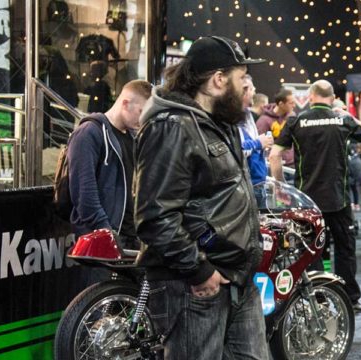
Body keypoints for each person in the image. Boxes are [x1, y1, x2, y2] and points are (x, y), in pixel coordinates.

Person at [133, 36, 269, 358]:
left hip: (236, 278)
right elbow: (155, 216)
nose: (247, 86)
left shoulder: (219, 124)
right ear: (218, 80)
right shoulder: (172, 127)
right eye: (242, 78)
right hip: (195, 285)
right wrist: (200, 270)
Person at [269, 80, 361, 312]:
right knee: (345, 248)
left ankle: (318, 298)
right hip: (338, 198)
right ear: (333, 97)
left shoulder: (296, 121)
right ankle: (350, 298)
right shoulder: (342, 119)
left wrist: (282, 188)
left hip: (307, 200)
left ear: (310, 95)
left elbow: (275, 155)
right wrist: (347, 115)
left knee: (312, 249)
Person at [67, 80, 151, 239]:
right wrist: (106, 231)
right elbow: (84, 195)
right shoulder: (89, 133)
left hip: (128, 236)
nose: (143, 119)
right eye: (141, 112)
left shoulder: (133, 138)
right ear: (125, 104)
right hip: (99, 240)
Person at [239, 75, 272, 186]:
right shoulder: (231, 118)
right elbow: (236, 150)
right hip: (247, 185)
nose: (255, 92)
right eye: (252, 89)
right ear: (243, 90)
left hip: (257, 182)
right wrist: (258, 143)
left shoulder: (248, 116)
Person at [257, 88, 295, 170]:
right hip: (273, 166)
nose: (294, 105)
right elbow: (260, 146)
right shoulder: (264, 121)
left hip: (292, 164)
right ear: (281, 104)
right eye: (291, 103)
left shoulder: (292, 117)